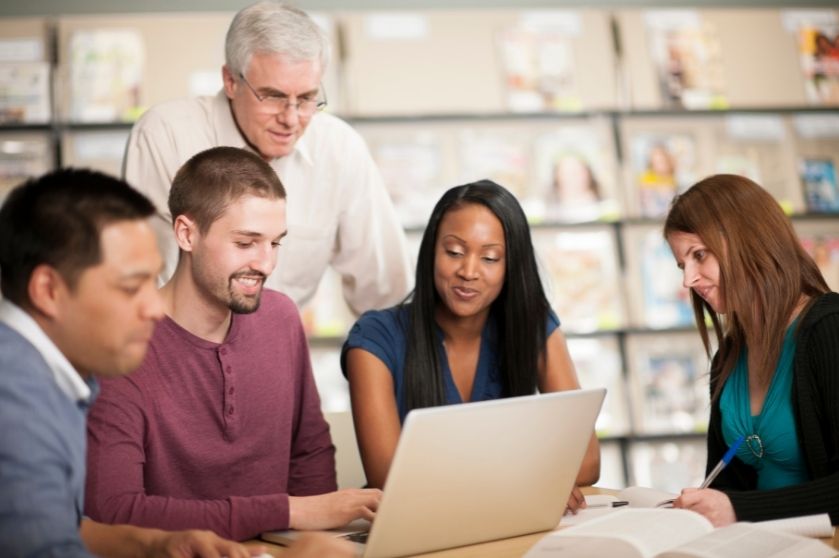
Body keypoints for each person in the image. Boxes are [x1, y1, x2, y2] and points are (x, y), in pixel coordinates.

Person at [85, 147, 381, 541]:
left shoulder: (280, 318)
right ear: (186, 233)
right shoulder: (118, 345)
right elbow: (115, 512)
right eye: (246, 243)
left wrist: (319, 543)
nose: (266, 264)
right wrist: (290, 511)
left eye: (275, 243)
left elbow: (308, 452)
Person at [0, 168, 260, 557]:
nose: (155, 307)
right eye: (130, 287)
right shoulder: (16, 402)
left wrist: (158, 543)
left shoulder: (47, 374)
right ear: (48, 290)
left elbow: (56, 530)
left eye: (152, 282)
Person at [123, 0, 411, 313]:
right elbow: (147, 289)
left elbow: (386, 296)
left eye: (306, 98)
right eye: (273, 96)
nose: (291, 118)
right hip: (183, 348)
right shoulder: (166, 135)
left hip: (276, 347)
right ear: (231, 81)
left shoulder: (340, 149)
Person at [341, 179, 600, 512]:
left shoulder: (533, 324)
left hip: (506, 527)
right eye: (454, 252)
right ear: (431, 251)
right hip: (414, 530)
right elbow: (389, 480)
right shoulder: (375, 337)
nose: (468, 271)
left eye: (490, 258)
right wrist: (528, 481)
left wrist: (506, 485)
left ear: (511, 267)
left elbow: (588, 459)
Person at [664, 174, 839, 527]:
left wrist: (739, 510)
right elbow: (725, 485)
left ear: (750, 240)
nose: (688, 280)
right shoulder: (727, 358)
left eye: (700, 255)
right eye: (683, 265)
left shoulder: (828, 328)